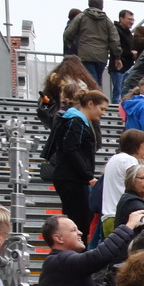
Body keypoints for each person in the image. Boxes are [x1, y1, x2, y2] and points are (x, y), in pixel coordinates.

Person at [48, 90, 106, 231]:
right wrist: (88, 176)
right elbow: (70, 150)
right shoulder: (76, 121)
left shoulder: (77, 120)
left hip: (72, 178)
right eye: (102, 109)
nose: (103, 113)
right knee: (79, 221)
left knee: (80, 219)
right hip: (72, 179)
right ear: (90, 104)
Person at [100, 130, 144, 239]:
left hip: (108, 216)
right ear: (136, 145)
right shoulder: (129, 160)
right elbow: (134, 181)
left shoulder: (115, 158)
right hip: (120, 216)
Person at [63, 0, 121, 87]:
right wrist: (117, 56)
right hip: (101, 56)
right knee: (97, 79)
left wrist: (70, 42)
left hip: (85, 54)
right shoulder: (107, 21)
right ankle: (98, 97)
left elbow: (68, 33)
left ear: (89, 4)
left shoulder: (81, 17)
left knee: (91, 80)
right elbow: (115, 39)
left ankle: (96, 98)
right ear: (102, 5)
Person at [111, 10, 136, 101]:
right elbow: (115, 47)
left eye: (133, 20)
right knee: (118, 90)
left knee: (125, 89)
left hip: (128, 65)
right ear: (121, 19)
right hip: (118, 65)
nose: (132, 22)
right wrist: (131, 53)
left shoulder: (128, 33)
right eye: (129, 19)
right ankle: (117, 108)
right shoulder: (116, 31)